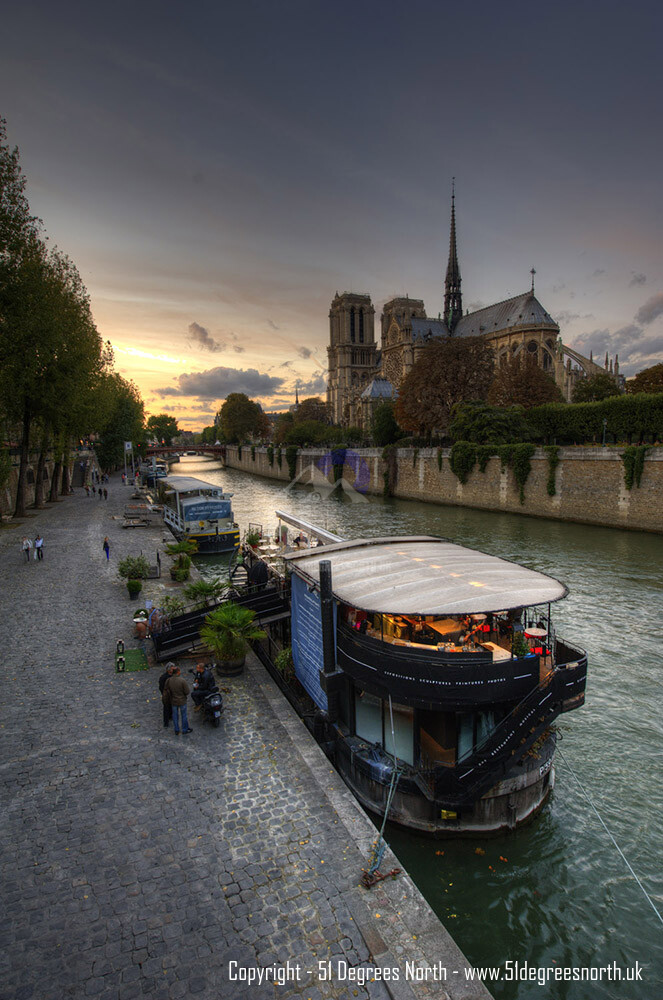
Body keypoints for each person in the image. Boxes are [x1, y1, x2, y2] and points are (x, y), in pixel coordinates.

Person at [164, 666, 192, 735]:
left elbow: (166, 689)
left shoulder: (169, 680)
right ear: (178, 672)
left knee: (175, 716)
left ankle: (176, 729)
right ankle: (184, 729)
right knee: (184, 715)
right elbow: (187, 691)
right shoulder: (182, 681)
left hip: (173, 701)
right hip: (182, 700)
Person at [159, 662, 175, 727]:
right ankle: (166, 722)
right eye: (172, 668)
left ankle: (170, 716)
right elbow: (161, 687)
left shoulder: (173, 676)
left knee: (171, 706)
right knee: (166, 707)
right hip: (167, 694)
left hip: (172, 694)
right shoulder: (164, 677)